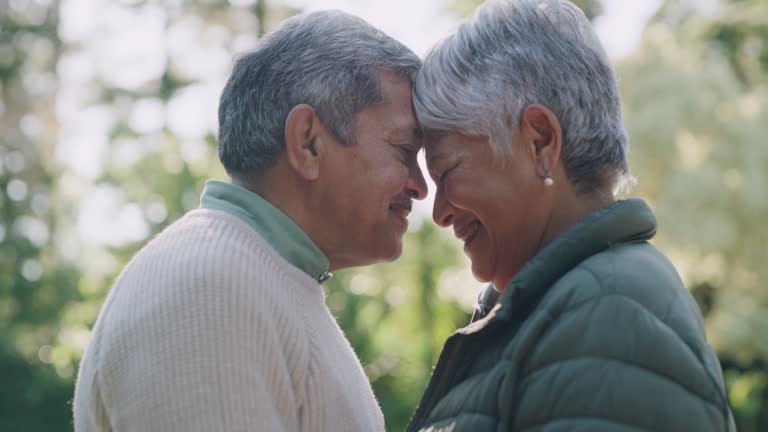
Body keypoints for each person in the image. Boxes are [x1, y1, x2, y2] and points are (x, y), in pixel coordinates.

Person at [73, 10, 427, 432]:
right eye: (404, 149)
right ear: (308, 142)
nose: (421, 186)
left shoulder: (258, 278)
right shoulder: (209, 287)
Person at [406, 0, 735, 431]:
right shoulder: (562, 305)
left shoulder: (610, 313)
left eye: (447, 171)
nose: (440, 213)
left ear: (540, 141)